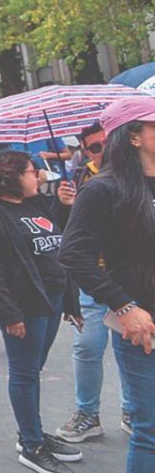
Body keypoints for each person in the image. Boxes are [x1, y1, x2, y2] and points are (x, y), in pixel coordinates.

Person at [0, 151, 83, 472]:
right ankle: (32, 445)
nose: (39, 177)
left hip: (52, 299)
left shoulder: (34, 203)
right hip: (26, 305)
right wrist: (9, 314)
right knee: (24, 373)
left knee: (34, 371)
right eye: (32, 171)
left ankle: (31, 432)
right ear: (11, 175)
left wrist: (62, 207)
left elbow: (54, 240)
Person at [61, 97, 155, 472]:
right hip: (142, 327)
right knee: (150, 432)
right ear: (133, 136)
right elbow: (74, 254)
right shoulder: (103, 189)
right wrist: (124, 306)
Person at [57, 121, 134, 443]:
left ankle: (135, 410)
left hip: (129, 281)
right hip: (92, 281)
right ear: (85, 151)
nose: (102, 151)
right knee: (88, 347)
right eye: (94, 147)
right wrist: (64, 208)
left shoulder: (136, 180)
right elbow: (68, 243)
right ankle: (88, 413)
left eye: (106, 143)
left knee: (134, 348)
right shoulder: (82, 179)